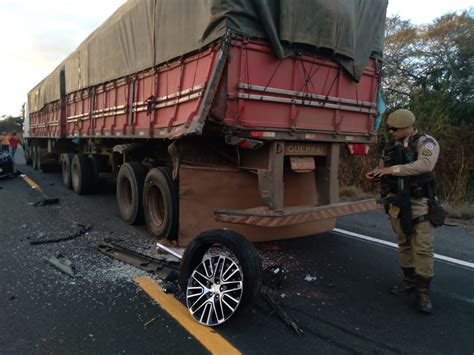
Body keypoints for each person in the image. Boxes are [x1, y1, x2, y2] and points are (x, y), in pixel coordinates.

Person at [366, 109, 440, 314]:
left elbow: (425, 164)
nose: (391, 132)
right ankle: (408, 280)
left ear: (408, 126)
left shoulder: (426, 143)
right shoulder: (391, 147)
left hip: (421, 202)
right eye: (389, 128)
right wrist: (375, 173)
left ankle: (423, 291)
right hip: (397, 202)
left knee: (423, 247)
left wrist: (393, 170)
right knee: (403, 243)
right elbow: (383, 167)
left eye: (395, 129)